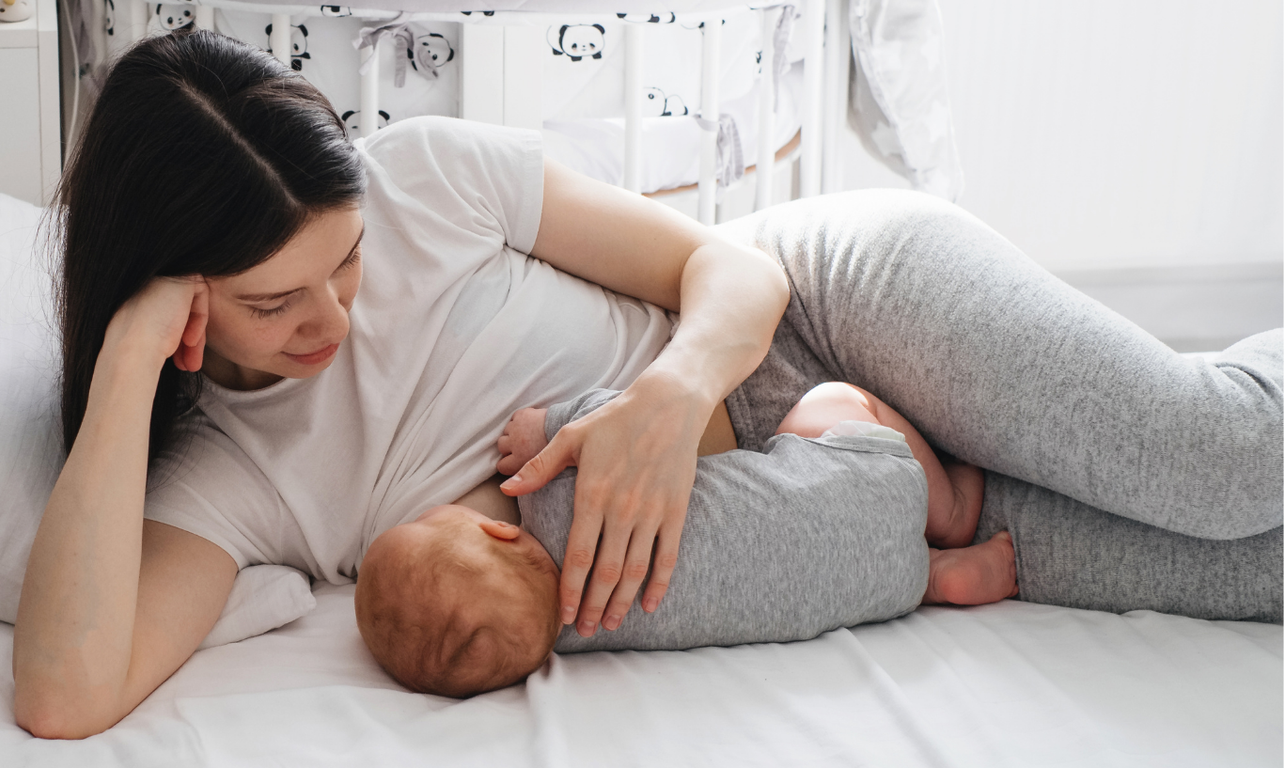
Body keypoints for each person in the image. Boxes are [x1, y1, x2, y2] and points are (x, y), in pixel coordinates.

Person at [14, 29, 1280, 740]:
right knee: (1234, 574)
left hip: (827, 307)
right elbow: (64, 696)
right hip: (828, 493)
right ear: (176, 294)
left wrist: (667, 404)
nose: (335, 316)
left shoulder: (428, 177)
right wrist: (127, 359)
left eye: (346, 265)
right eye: (277, 304)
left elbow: (726, 263)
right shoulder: (227, 481)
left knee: (1214, 459)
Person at [355, 382, 1018, 698]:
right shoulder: (557, 495)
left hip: (878, 590)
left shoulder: (577, 638)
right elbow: (624, 421)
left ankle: (941, 576)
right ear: (500, 529)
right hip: (864, 485)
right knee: (830, 401)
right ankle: (953, 509)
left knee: (817, 575)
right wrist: (544, 427)